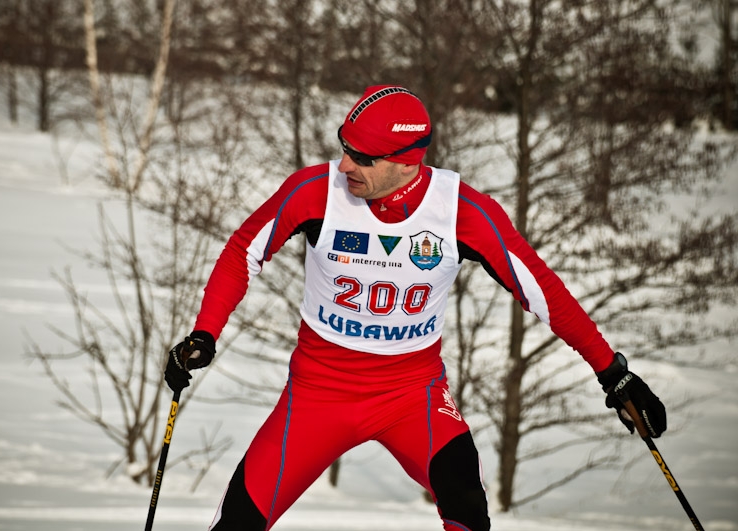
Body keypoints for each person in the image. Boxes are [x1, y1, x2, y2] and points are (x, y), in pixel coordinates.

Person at [164, 85, 667, 531]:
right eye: (344, 149)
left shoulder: (462, 212)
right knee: (237, 522)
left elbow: (545, 293)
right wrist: (205, 333)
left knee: (465, 496)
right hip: (318, 395)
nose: (344, 166)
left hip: (412, 397)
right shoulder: (315, 192)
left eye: (362, 158)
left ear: (407, 161)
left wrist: (612, 372)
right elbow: (241, 251)